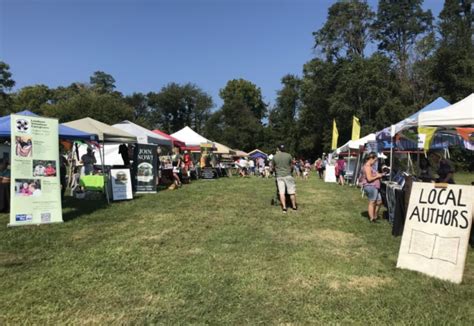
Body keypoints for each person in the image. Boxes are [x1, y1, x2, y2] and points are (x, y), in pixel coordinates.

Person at [272, 144, 297, 213]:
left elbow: (273, 167)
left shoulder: (275, 156)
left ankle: (284, 208)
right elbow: (292, 165)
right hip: (288, 175)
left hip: (279, 176)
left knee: (281, 193)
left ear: (278, 149)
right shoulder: (289, 155)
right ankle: (294, 207)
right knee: (292, 192)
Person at [360, 152, 384, 222]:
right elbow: (369, 179)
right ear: (371, 158)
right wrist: (378, 176)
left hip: (374, 186)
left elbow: (373, 175)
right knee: (372, 202)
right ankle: (372, 218)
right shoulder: (367, 167)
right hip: (371, 186)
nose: (375, 162)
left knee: (379, 201)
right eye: (375, 160)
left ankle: (375, 215)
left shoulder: (370, 166)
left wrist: (380, 174)